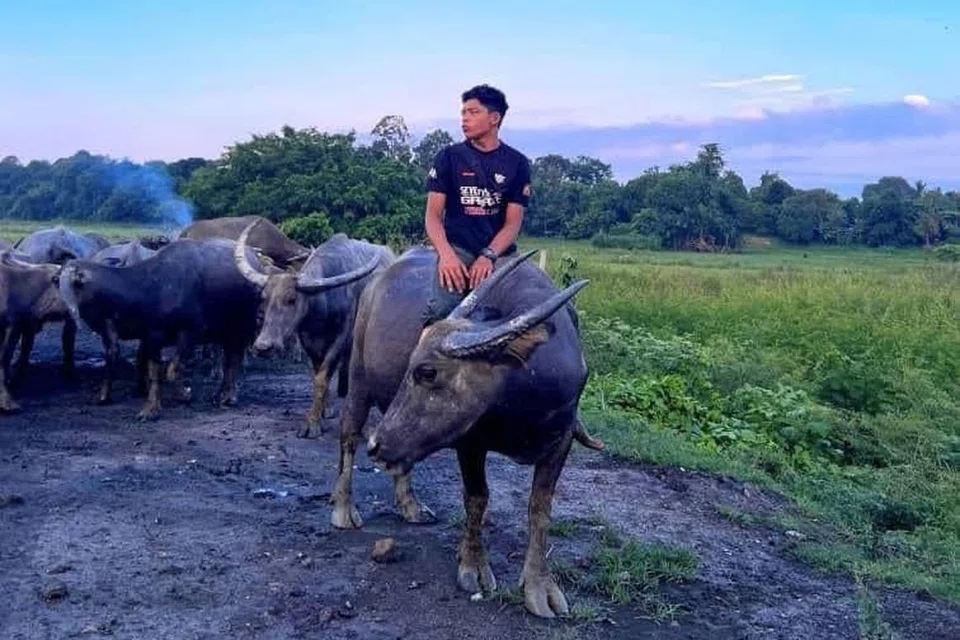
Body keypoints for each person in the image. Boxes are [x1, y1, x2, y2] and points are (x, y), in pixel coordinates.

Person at [421, 84, 533, 324]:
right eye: (463, 113)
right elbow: (432, 217)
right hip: (458, 249)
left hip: (500, 253)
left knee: (534, 309)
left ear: (494, 118)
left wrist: (488, 256)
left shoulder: (517, 163)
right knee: (441, 311)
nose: (465, 119)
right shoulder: (449, 157)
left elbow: (512, 225)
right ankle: (424, 357)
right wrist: (447, 256)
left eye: (473, 112)